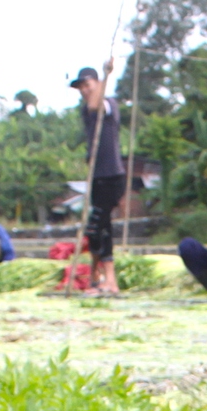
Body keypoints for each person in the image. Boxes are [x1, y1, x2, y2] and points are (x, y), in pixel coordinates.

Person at [69, 64, 125, 295]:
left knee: (98, 226)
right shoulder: (86, 112)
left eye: (87, 85)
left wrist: (105, 76)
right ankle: (98, 277)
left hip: (112, 176)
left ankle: (108, 280)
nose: (84, 90)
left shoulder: (109, 105)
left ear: (97, 85)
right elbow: (90, 107)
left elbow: (96, 104)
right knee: (97, 229)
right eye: (81, 87)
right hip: (97, 177)